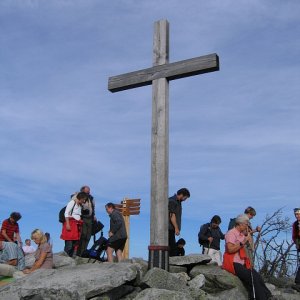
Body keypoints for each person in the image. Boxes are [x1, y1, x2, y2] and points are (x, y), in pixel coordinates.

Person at [223, 214, 272, 300]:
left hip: (242, 262)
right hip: (233, 263)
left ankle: (268, 296)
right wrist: (243, 242)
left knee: (257, 276)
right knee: (252, 279)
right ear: (240, 224)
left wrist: (255, 231)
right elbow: (230, 250)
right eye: (246, 224)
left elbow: (247, 234)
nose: (247, 226)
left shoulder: (240, 234)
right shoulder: (231, 233)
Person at [60, 192, 88, 257]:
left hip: (77, 224)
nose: (84, 201)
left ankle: (71, 257)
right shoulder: (72, 202)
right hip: (71, 223)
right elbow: (66, 213)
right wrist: (67, 224)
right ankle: (65, 257)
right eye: (83, 199)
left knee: (75, 244)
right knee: (69, 243)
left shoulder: (80, 205)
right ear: (80, 198)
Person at [168, 188, 190, 256]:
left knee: (171, 247)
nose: (185, 200)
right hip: (169, 228)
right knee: (172, 248)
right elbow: (172, 215)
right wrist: (176, 228)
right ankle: (171, 265)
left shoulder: (178, 202)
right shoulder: (172, 201)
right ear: (182, 195)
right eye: (185, 198)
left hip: (171, 229)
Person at [76, 186, 97, 257]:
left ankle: (84, 252)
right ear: (82, 191)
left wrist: (94, 215)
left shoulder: (91, 198)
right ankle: (79, 252)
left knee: (88, 235)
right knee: (83, 235)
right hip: (83, 218)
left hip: (90, 218)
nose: (89, 192)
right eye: (87, 191)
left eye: (89, 191)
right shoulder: (78, 196)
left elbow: (93, 207)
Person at [292, 208, 300, 292]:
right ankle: (298, 282)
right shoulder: (295, 224)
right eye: (296, 214)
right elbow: (294, 235)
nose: (297, 216)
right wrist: (297, 243)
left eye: (298, 214)